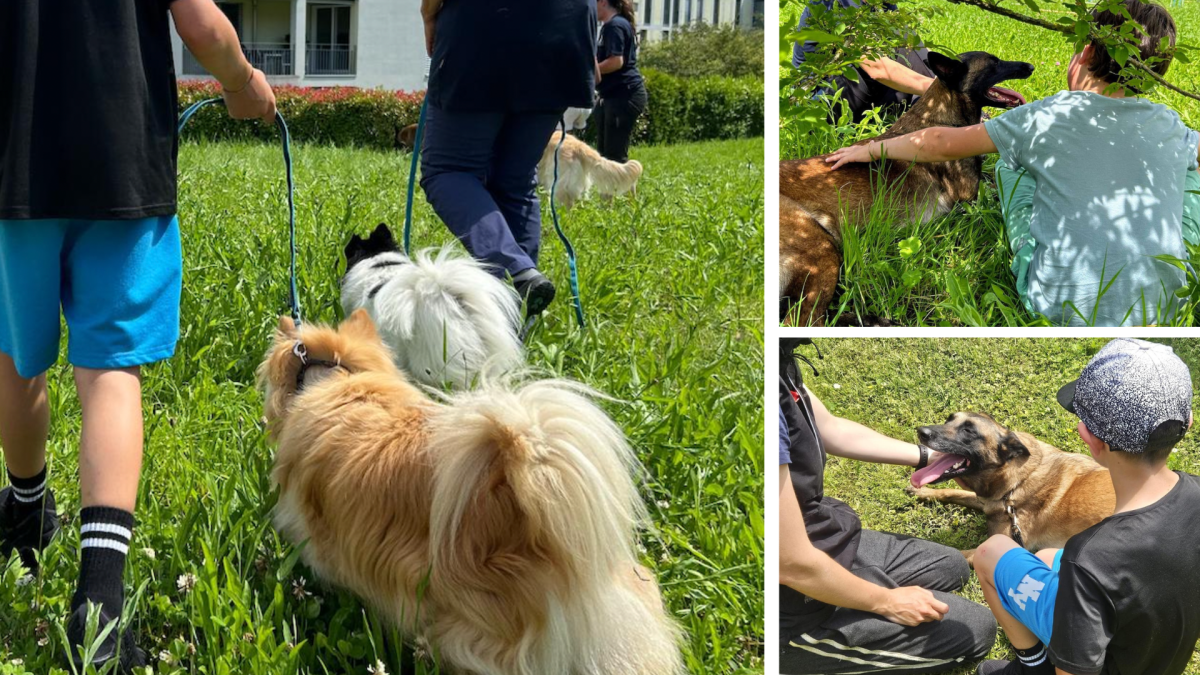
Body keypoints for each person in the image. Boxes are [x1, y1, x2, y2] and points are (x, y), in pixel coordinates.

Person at [0, 0, 276, 669]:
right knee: (112, 372)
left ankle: (26, 508)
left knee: (16, 357)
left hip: (13, 162)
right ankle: (100, 607)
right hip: (124, 163)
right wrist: (242, 83)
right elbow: (201, 23)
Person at [824, 0, 1200, 327]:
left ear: (1085, 53)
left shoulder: (1046, 115)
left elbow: (938, 141)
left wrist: (873, 149)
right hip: (1168, 303)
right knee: (1190, 175)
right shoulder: (1172, 124)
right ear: (1158, 72)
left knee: (1010, 163)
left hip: (1054, 303)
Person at [970, 338, 1200, 675]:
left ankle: (1032, 667)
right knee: (1048, 558)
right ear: (1188, 422)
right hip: (1158, 654)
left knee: (990, 552)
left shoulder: (1090, 559)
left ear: (1090, 439)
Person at [778, 338, 997, 673]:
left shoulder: (778, 364)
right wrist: (887, 602)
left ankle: (851, 589)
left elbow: (830, 428)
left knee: (952, 565)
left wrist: (929, 459)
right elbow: (790, 563)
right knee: (976, 630)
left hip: (819, 535)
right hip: (792, 605)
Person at [419, 0, 597, 318]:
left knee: (448, 171)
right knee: (515, 180)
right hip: (565, 26)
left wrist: (429, 14)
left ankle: (518, 271)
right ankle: (513, 316)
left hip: (485, 24)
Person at [792, 0, 937, 123]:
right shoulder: (837, 4)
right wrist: (935, 88)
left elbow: (914, 48)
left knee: (904, 35)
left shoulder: (884, 4)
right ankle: (938, 99)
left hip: (859, 96)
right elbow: (874, 67)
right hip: (815, 103)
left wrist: (940, 75)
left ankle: (934, 109)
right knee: (861, 65)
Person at [595, 0, 648, 163]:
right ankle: (610, 187)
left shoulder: (614, 26)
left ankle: (615, 186)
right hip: (615, 96)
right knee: (605, 155)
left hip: (624, 96)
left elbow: (616, 61)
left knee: (614, 156)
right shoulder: (613, 25)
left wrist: (590, 70)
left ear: (603, 2)